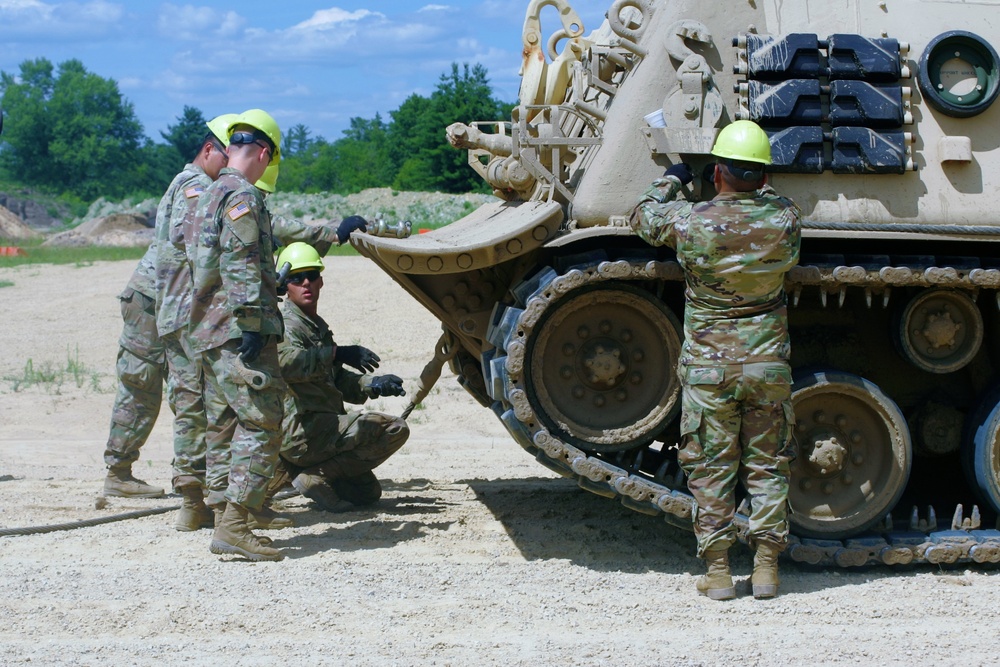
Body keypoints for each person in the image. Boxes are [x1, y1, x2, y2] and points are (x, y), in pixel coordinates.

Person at [630, 120, 801, 600]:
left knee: (710, 464)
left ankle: (720, 572)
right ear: (764, 176)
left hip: (710, 368)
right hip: (767, 364)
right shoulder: (785, 218)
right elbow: (770, 198)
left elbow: (642, 214)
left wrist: (679, 174)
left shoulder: (691, 221)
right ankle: (766, 570)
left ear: (719, 171)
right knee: (768, 464)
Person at [100, 114, 232, 500]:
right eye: (227, 159)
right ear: (209, 150)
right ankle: (121, 472)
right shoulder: (195, 185)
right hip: (154, 300)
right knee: (147, 385)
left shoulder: (198, 183)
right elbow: (198, 243)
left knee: (173, 386)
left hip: (160, 297)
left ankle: (176, 472)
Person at [186, 108, 288, 561]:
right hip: (237, 330)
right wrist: (250, 320)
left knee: (227, 421)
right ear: (262, 154)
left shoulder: (209, 193)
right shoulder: (242, 195)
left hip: (210, 327)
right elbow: (240, 259)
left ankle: (225, 511)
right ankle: (235, 523)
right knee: (262, 421)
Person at [273, 242, 410, 513]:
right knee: (395, 429)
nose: (306, 284)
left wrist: (374, 385)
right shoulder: (287, 325)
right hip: (303, 431)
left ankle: (307, 473)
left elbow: (336, 380)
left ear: (321, 281)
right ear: (284, 286)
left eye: (312, 276)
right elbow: (287, 364)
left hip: (322, 430)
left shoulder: (315, 326)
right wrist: (337, 353)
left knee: (366, 493)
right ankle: (311, 475)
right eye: (296, 278)